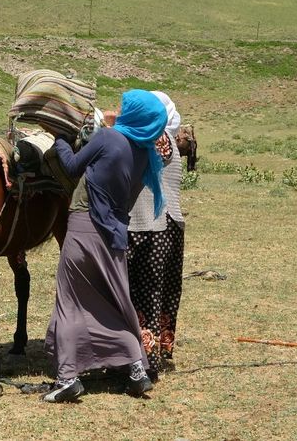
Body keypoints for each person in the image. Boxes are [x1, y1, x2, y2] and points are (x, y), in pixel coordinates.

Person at [42, 89, 168, 403]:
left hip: (84, 228)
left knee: (70, 303)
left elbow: (71, 166)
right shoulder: (145, 154)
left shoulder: (108, 138)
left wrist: (60, 136)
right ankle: (136, 367)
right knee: (115, 302)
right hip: (115, 236)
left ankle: (67, 378)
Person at [125, 91, 186, 381]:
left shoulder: (151, 138)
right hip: (172, 226)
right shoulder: (171, 139)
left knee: (142, 292)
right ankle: (160, 351)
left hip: (148, 226)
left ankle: (144, 360)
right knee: (165, 291)